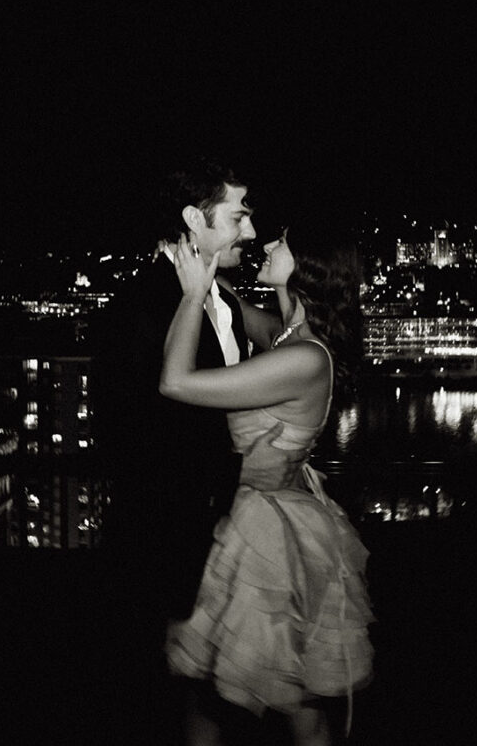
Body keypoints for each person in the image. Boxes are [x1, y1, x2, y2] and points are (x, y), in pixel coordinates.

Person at [93, 158, 307, 740]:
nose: (251, 232)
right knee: (166, 693)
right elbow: (135, 439)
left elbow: (296, 349)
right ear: (194, 218)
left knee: (206, 698)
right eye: (238, 216)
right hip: (172, 538)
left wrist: (283, 287)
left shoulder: (221, 296)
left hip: (216, 526)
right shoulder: (143, 308)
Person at [160, 226, 375, 745]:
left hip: (271, 534)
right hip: (273, 512)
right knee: (291, 699)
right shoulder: (290, 338)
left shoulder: (303, 359)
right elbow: (247, 316)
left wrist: (192, 296)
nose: (269, 246)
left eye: (283, 245)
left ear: (308, 269)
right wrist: (209, 277)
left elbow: (177, 382)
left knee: (229, 692)